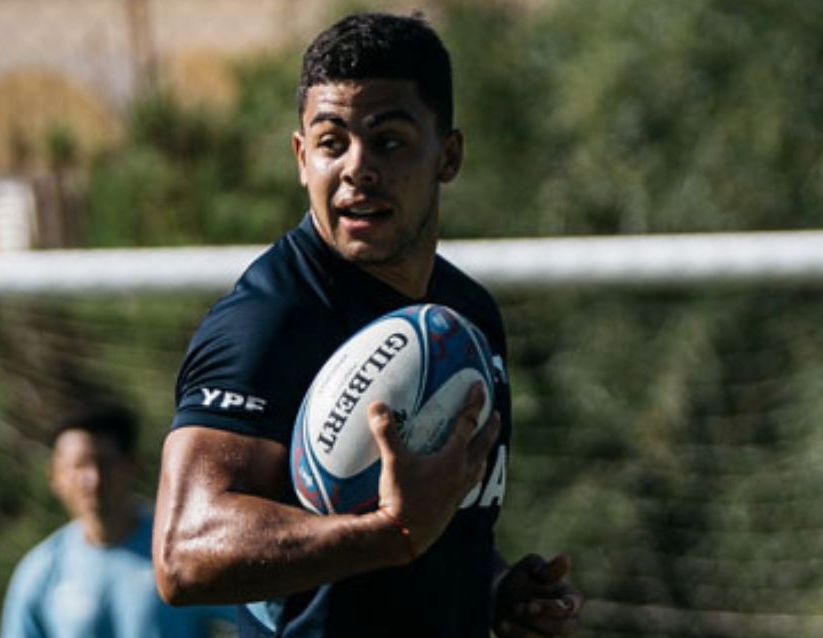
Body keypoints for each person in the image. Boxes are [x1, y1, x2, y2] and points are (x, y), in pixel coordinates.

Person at [153, 11, 582, 638]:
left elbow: (437, 526)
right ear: (302, 158)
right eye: (332, 142)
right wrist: (389, 534)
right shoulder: (269, 320)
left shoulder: (466, 316)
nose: (357, 167)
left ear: (449, 156)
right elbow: (184, 553)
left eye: (389, 141)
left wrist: (495, 590)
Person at [0, 404, 236, 638]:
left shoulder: (181, 552)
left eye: (104, 463)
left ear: (132, 466)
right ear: (55, 477)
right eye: (79, 465)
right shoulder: (40, 571)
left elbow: (252, 615)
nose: (93, 479)